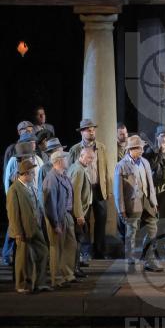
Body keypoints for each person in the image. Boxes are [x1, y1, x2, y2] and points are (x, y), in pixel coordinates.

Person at [114, 136, 163, 273]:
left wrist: (154, 202)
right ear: (131, 149)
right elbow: (118, 191)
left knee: (152, 228)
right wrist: (121, 209)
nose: (142, 150)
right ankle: (130, 262)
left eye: (142, 148)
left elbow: (150, 184)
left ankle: (149, 259)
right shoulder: (121, 165)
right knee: (131, 232)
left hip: (147, 200)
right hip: (133, 202)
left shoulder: (145, 162)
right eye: (139, 148)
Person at [67, 118, 111, 260]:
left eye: (93, 129)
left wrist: (108, 189)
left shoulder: (101, 148)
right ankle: (85, 252)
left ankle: (99, 251)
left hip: (98, 188)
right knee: (84, 219)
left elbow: (105, 169)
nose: (92, 131)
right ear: (81, 132)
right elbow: (70, 170)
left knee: (101, 220)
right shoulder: (75, 149)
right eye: (88, 129)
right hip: (83, 188)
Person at [7, 159, 50, 294]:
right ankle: (22, 284)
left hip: (35, 227)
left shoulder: (30, 186)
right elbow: (13, 213)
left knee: (43, 252)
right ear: (25, 174)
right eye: (32, 173)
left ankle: (39, 283)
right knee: (23, 259)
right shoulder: (14, 190)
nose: (34, 175)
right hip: (24, 230)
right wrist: (18, 232)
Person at [2, 139, 43, 267]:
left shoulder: (35, 161)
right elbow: (7, 181)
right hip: (19, 201)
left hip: (32, 198)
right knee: (15, 229)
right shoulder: (15, 166)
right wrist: (8, 196)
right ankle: (7, 255)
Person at [42, 150, 78, 287]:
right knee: (57, 248)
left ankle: (67, 274)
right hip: (57, 217)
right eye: (66, 158)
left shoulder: (64, 176)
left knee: (70, 245)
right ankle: (57, 278)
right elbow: (49, 204)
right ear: (59, 161)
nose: (68, 161)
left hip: (67, 215)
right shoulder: (51, 178)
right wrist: (55, 223)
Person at [67, 146, 93, 277]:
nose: (91, 160)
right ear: (81, 156)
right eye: (89, 158)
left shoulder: (79, 168)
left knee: (78, 240)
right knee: (77, 240)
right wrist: (79, 215)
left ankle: (75, 267)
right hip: (77, 213)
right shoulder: (78, 170)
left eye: (92, 158)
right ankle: (74, 268)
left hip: (80, 211)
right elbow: (75, 194)